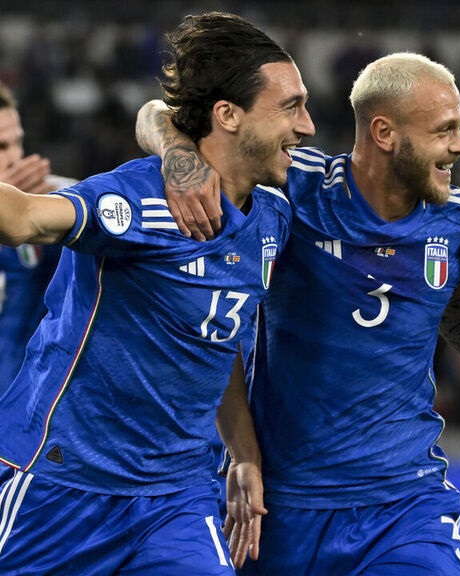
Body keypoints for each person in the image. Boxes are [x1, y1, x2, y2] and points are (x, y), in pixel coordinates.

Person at [137, 51, 460, 575]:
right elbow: (155, 114)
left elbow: (446, 293)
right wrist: (180, 157)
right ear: (384, 133)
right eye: (444, 130)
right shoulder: (294, 188)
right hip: (284, 504)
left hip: (406, 502)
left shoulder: (454, 217)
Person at [0, 12, 314, 574]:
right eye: (291, 107)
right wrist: (168, 142)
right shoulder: (136, 200)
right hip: (62, 482)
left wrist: (244, 454)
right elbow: (23, 218)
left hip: (177, 497)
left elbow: (219, 340)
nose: (307, 126)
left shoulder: (274, 218)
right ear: (228, 115)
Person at [0, 82, 77, 390]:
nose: (14, 158)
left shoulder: (52, 201)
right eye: (1, 147)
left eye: (17, 142)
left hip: (32, 403)